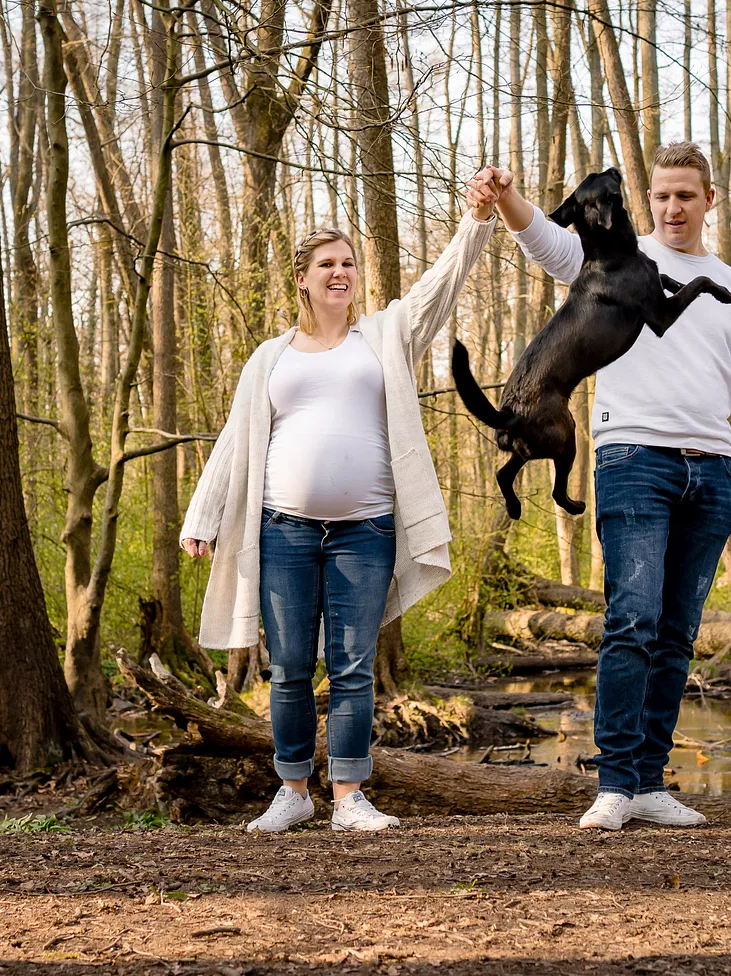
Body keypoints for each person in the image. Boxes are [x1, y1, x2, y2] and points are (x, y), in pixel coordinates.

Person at [469, 144, 731, 830]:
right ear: (650, 201)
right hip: (632, 462)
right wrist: (505, 197)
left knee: (676, 635)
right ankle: (614, 784)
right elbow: (550, 245)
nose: (673, 208)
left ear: (710, 201)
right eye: (663, 196)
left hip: (708, 472)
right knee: (633, 622)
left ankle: (649, 781)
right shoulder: (617, 256)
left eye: (686, 196)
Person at [179, 179, 504, 833]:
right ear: (301, 278)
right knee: (292, 666)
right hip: (283, 532)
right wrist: (202, 515)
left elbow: (440, 288)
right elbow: (234, 441)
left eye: (349, 263)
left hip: (367, 531)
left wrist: (476, 221)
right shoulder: (270, 357)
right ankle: (294, 791)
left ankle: (350, 797)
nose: (341, 273)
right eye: (327, 264)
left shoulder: (385, 336)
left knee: (353, 666)